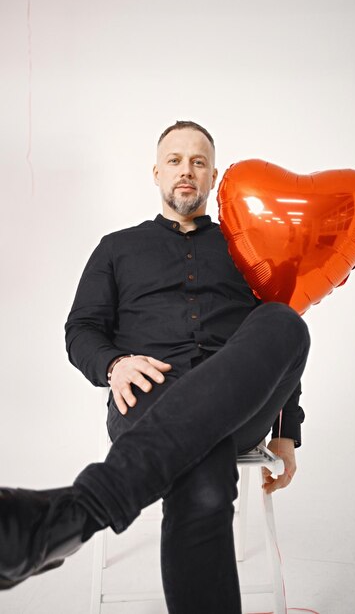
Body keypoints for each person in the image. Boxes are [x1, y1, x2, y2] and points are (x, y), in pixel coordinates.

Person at [0, 121, 310, 613]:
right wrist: (115, 364)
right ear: (156, 172)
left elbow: (267, 352)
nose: (186, 170)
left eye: (199, 162)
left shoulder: (249, 249)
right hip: (147, 395)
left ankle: (74, 514)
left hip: (239, 408)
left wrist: (286, 432)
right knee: (204, 480)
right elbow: (80, 330)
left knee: (285, 322)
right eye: (175, 160)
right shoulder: (115, 247)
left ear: (213, 178)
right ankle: (77, 514)